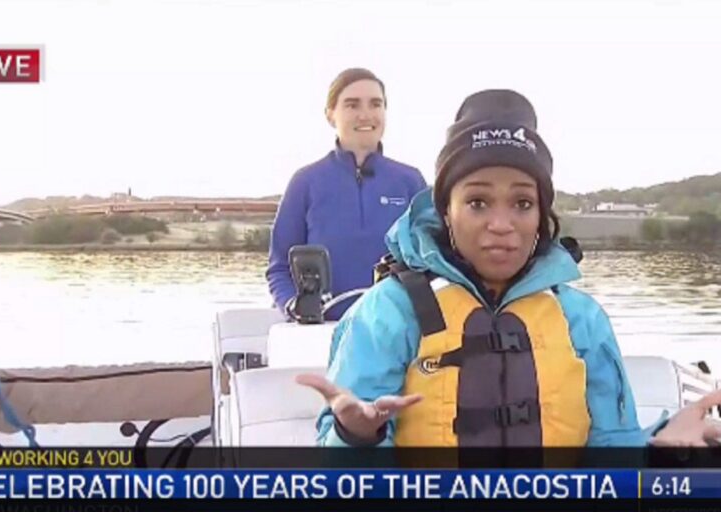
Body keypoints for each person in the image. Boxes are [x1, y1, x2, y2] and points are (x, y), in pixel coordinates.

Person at [296, 90, 721, 447]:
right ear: (446, 211)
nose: (501, 225)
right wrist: (354, 435)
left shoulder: (581, 319)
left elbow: (611, 450)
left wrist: (658, 446)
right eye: (478, 202)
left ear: (541, 215)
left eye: (522, 203)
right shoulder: (389, 310)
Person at [266, 68, 427, 321]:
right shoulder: (305, 182)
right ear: (331, 115)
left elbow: (431, 261)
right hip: (321, 335)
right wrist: (294, 306)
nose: (365, 114)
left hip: (394, 333)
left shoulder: (410, 182)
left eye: (376, 104)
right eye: (352, 105)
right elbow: (278, 268)